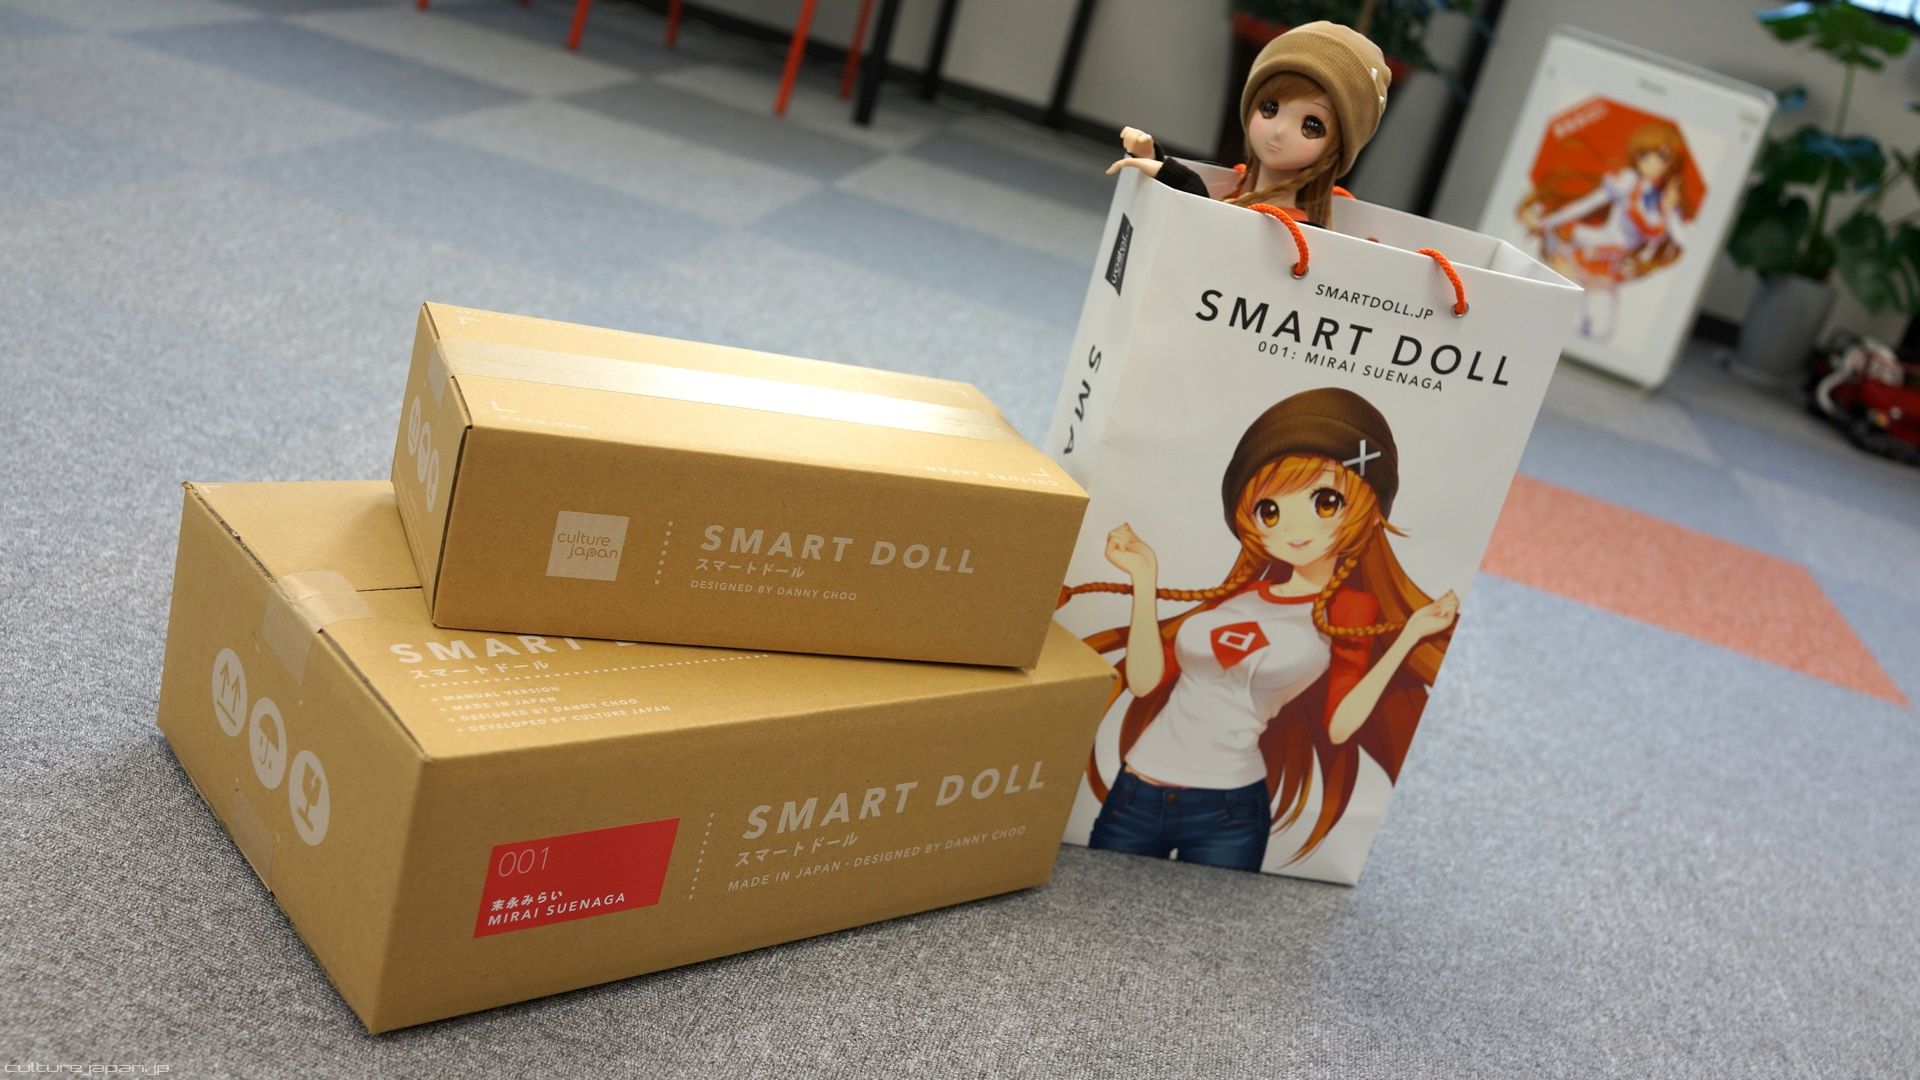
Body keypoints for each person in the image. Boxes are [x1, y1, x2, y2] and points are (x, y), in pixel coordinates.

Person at [1058, 388, 1457, 871]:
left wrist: (1409, 637)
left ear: (1367, 508)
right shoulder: (1238, 593)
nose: (1292, 528)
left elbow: (1339, 727)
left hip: (1228, 809)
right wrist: (1145, 578)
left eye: (1325, 502)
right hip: (1135, 794)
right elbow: (1144, 683)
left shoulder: (1351, 610)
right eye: (1270, 511)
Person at [1105, 21, 1391, 228]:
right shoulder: (1233, 190)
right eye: (1270, 108)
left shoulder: (1301, 235)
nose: (1279, 131)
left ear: (1337, 149)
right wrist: (1155, 162)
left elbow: (1216, 237)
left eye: (1312, 126)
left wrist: (1177, 179)